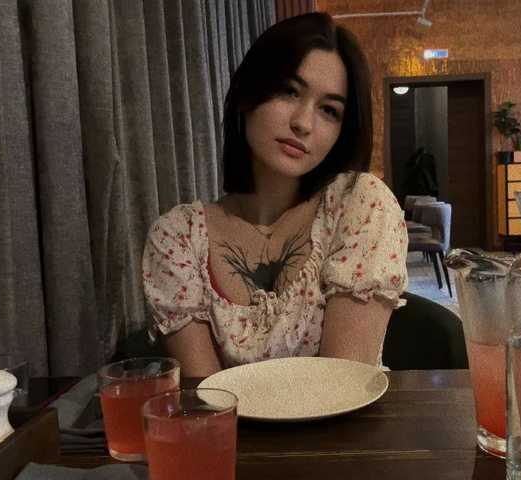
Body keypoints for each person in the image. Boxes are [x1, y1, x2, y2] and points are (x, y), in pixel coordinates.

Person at [142, 12, 408, 377]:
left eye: (329, 110)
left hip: (345, 416)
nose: (303, 123)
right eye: (289, 91)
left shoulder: (359, 204)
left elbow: (342, 386)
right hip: (225, 420)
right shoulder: (178, 236)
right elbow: (208, 398)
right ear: (247, 94)